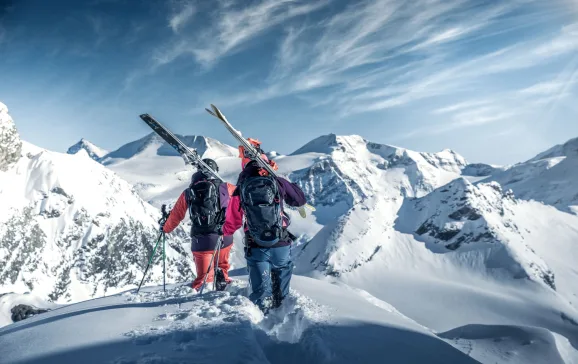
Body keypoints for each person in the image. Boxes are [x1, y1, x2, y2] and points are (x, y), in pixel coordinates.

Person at [223, 138, 306, 312]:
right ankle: (282, 312)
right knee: (281, 283)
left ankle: (261, 322)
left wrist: (224, 232)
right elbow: (299, 200)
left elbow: (233, 220)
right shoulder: (277, 182)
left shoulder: (242, 187)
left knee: (261, 291)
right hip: (280, 243)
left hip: (256, 245)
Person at [161, 158, 236, 291]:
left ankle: (206, 302)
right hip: (225, 237)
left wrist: (165, 228)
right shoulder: (227, 187)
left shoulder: (189, 192)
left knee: (204, 279)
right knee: (222, 267)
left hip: (201, 241)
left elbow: (176, 216)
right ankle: (224, 291)